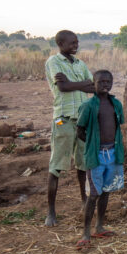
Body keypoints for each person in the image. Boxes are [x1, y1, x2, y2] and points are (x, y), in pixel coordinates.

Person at [44, 30, 94, 227]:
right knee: (56, 166)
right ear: (60, 43)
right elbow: (62, 88)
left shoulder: (80, 64)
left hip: (82, 120)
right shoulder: (53, 62)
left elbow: (93, 86)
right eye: (72, 42)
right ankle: (51, 211)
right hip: (63, 120)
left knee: (83, 164)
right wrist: (82, 84)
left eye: (77, 42)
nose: (76, 45)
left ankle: (84, 202)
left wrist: (73, 83)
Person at [75, 70, 125, 250]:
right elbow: (80, 130)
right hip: (96, 155)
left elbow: (118, 127)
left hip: (113, 153)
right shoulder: (88, 106)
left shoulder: (116, 104)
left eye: (108, 81)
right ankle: (85, 233)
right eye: (101, 81)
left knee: (106, 191)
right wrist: (93, 144)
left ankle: (99, 226)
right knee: (94, 194)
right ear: (93, 84)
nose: (105, 84)